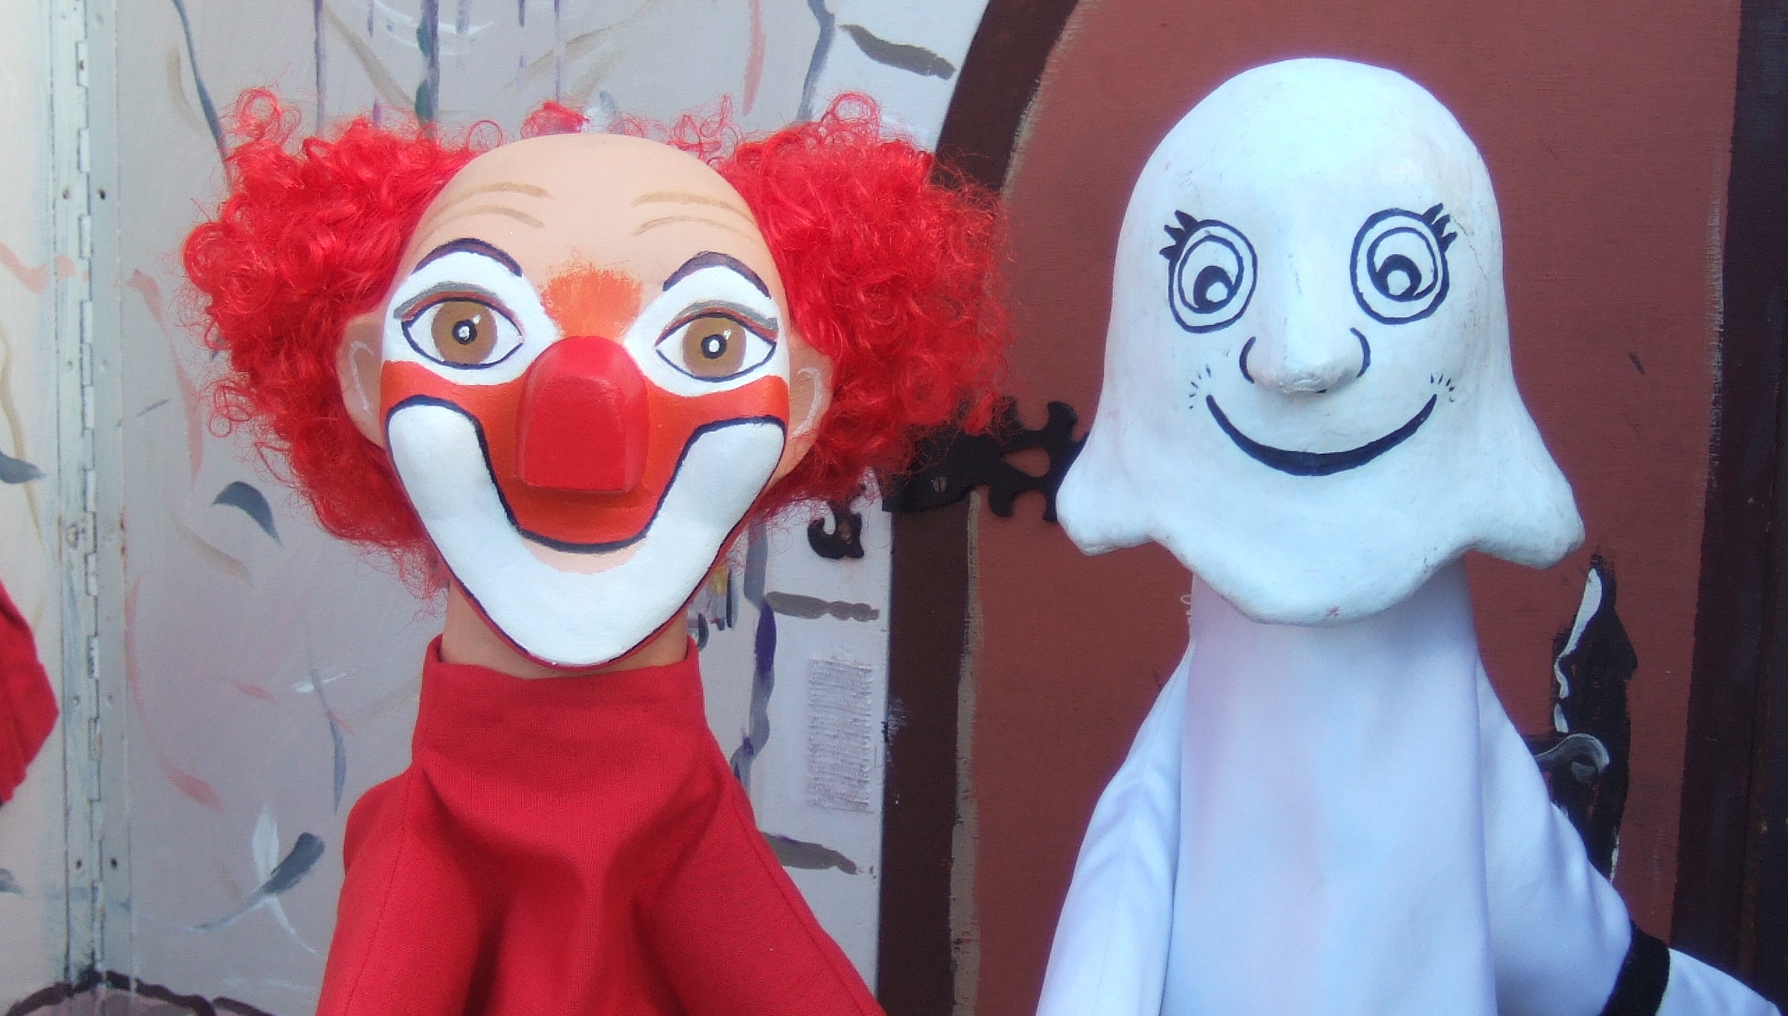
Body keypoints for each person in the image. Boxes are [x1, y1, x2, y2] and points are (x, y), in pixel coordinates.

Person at [183, 92, 1007, 1016]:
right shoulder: (431, 855)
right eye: (466, 331)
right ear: (367, 381)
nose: (584, 435)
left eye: (710, 344)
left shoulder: (686, 822)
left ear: (803, 406)